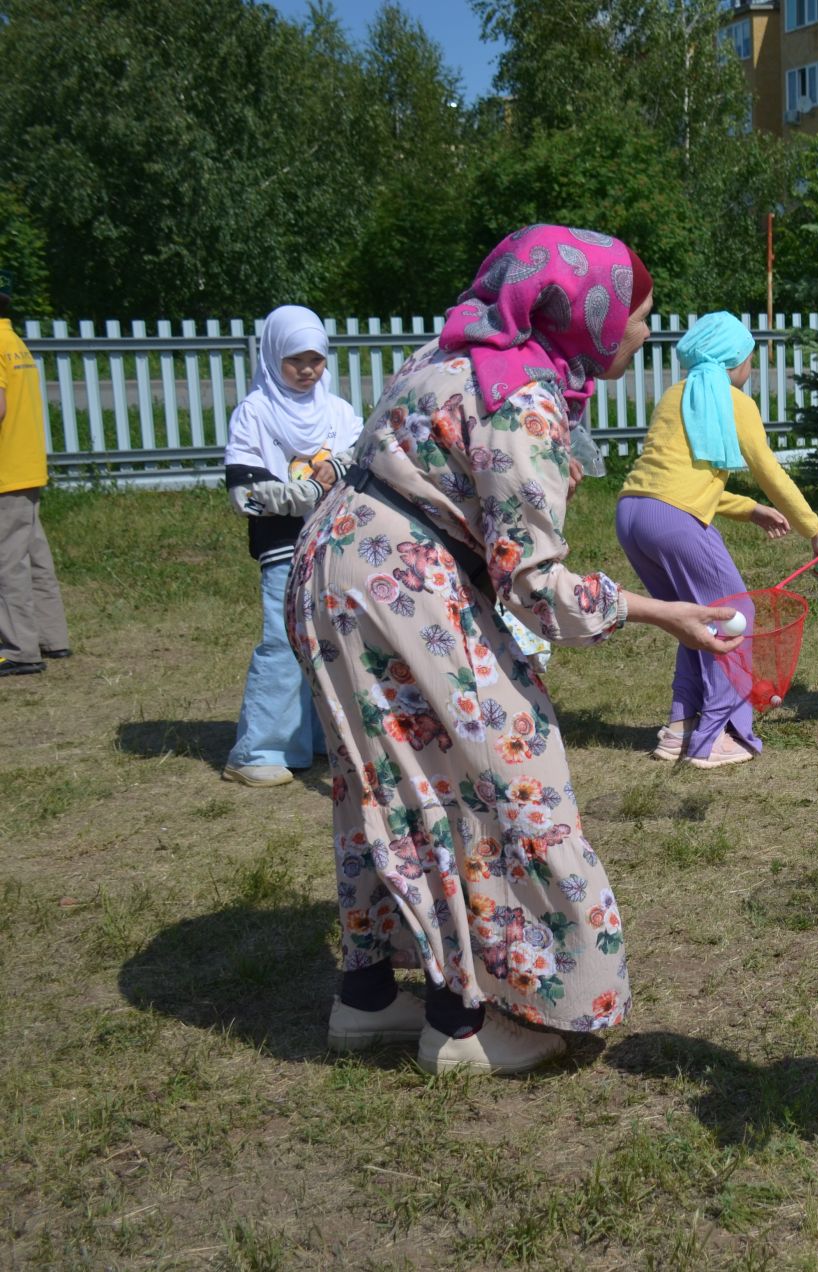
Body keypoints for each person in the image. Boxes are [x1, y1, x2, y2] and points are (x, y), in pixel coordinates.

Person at [291, 226, 742, 1075]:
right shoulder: (521, 397)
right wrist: (660, 611)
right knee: (502, 777)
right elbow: (534, 585)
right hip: (403, 585)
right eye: (639, 315)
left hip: (335, 566)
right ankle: (472, 1021)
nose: (645, 333)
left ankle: (368, 999)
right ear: (590, 314)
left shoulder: (454, 350)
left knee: (383, 778)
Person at [615, 311, 818, 768]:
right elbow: (770, 472)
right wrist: (813, 530)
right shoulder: (734, 402)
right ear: (736, 360)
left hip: (631, 513)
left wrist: (748, 509)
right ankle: (719, 736)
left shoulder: (677, 395)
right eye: (750, 355)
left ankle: (681, 728)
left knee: (692, 619)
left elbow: (679, 478)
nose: (751, 365)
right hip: (673, 519)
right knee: (735, 616)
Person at [222, 305, 364, 786]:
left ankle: (322, 736)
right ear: (272, 356)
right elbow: (244, 488)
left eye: (316, 359)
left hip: (332, 543)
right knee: (284, 641)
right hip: (284, 545)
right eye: (295, 360)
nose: (307, 370)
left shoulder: (338, 411)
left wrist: (338, 470)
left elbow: (364, 454)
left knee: (330, 638)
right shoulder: (256, 412)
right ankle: (259, 749)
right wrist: (295, 494)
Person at [0, 292, 69, 676]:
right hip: (27, 465)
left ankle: (18, 649)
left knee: (5, 563)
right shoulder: (14, 343)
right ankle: (51, 637)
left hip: (4, 471)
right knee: (35, 557)